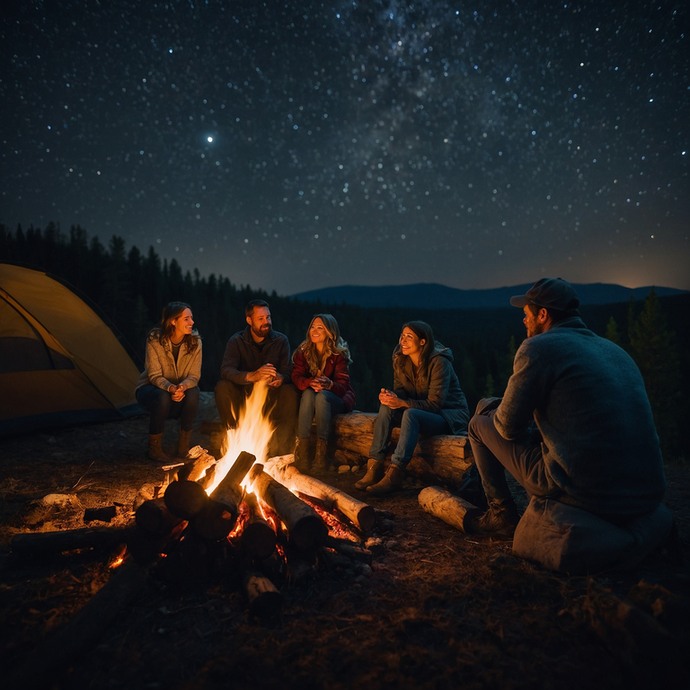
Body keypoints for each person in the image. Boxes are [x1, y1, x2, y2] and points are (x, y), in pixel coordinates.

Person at [467, 277, 667, 540]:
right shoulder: (615, 351)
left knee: (478, 425)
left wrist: (494, 413)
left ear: (543, 314)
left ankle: (500, 514)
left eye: (527, 314)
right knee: (492, 408)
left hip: (585, 491)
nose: (523, 320)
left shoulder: (539, 347)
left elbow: (507, 428)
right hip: (646, 492)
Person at [356, 321, 470, 495]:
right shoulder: (401, 360)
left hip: (447, 416)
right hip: (420, 412)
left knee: (410, 414)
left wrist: (403, 403)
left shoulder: (439, 362)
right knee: (387, 408)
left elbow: (434, 404)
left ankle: (395, 473)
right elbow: (401, 391)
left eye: (409, 337)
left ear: (423, 342)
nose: (403, 340)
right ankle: (375, 465)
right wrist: (390, 396)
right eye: (402, 336)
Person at [214, 299, 299, 458]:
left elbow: (288, 371)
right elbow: (226, 370)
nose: (266, 322)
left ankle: (282, 452)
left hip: (270, 396)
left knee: (290, 391)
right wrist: (251, 376)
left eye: (268, 317)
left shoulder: (280, 341)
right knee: (222, 387)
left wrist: (281, 378)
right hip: (244, 395)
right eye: (261, 319)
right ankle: (234, 440)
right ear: (249, 320)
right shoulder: (237, 341)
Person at [135, 302, 201, 461]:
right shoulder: (155, 339)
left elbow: (194, 376)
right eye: (186, 319)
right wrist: (171, 388)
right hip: (150, 389)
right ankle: (154, 448)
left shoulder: (194, 341)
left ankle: (183, 447)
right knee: (162, 396)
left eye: (191, 318)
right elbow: (155, 375)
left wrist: (182, 386)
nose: (191, 322)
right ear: (173, 321)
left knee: (194, 393)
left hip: (180, 389)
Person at [291, 314, 356, 472]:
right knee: (307, 394)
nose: (314, 330)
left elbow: (343, 387)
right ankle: (303, 454)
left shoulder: (339, 354)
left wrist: (330, 384)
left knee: (322, 396)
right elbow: (296, 375)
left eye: (320, 328)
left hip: (337, 398)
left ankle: (321, 455)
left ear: (330, 333)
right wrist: (309, 382)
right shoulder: (304, 351)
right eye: (313, 326)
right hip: (312, 396)